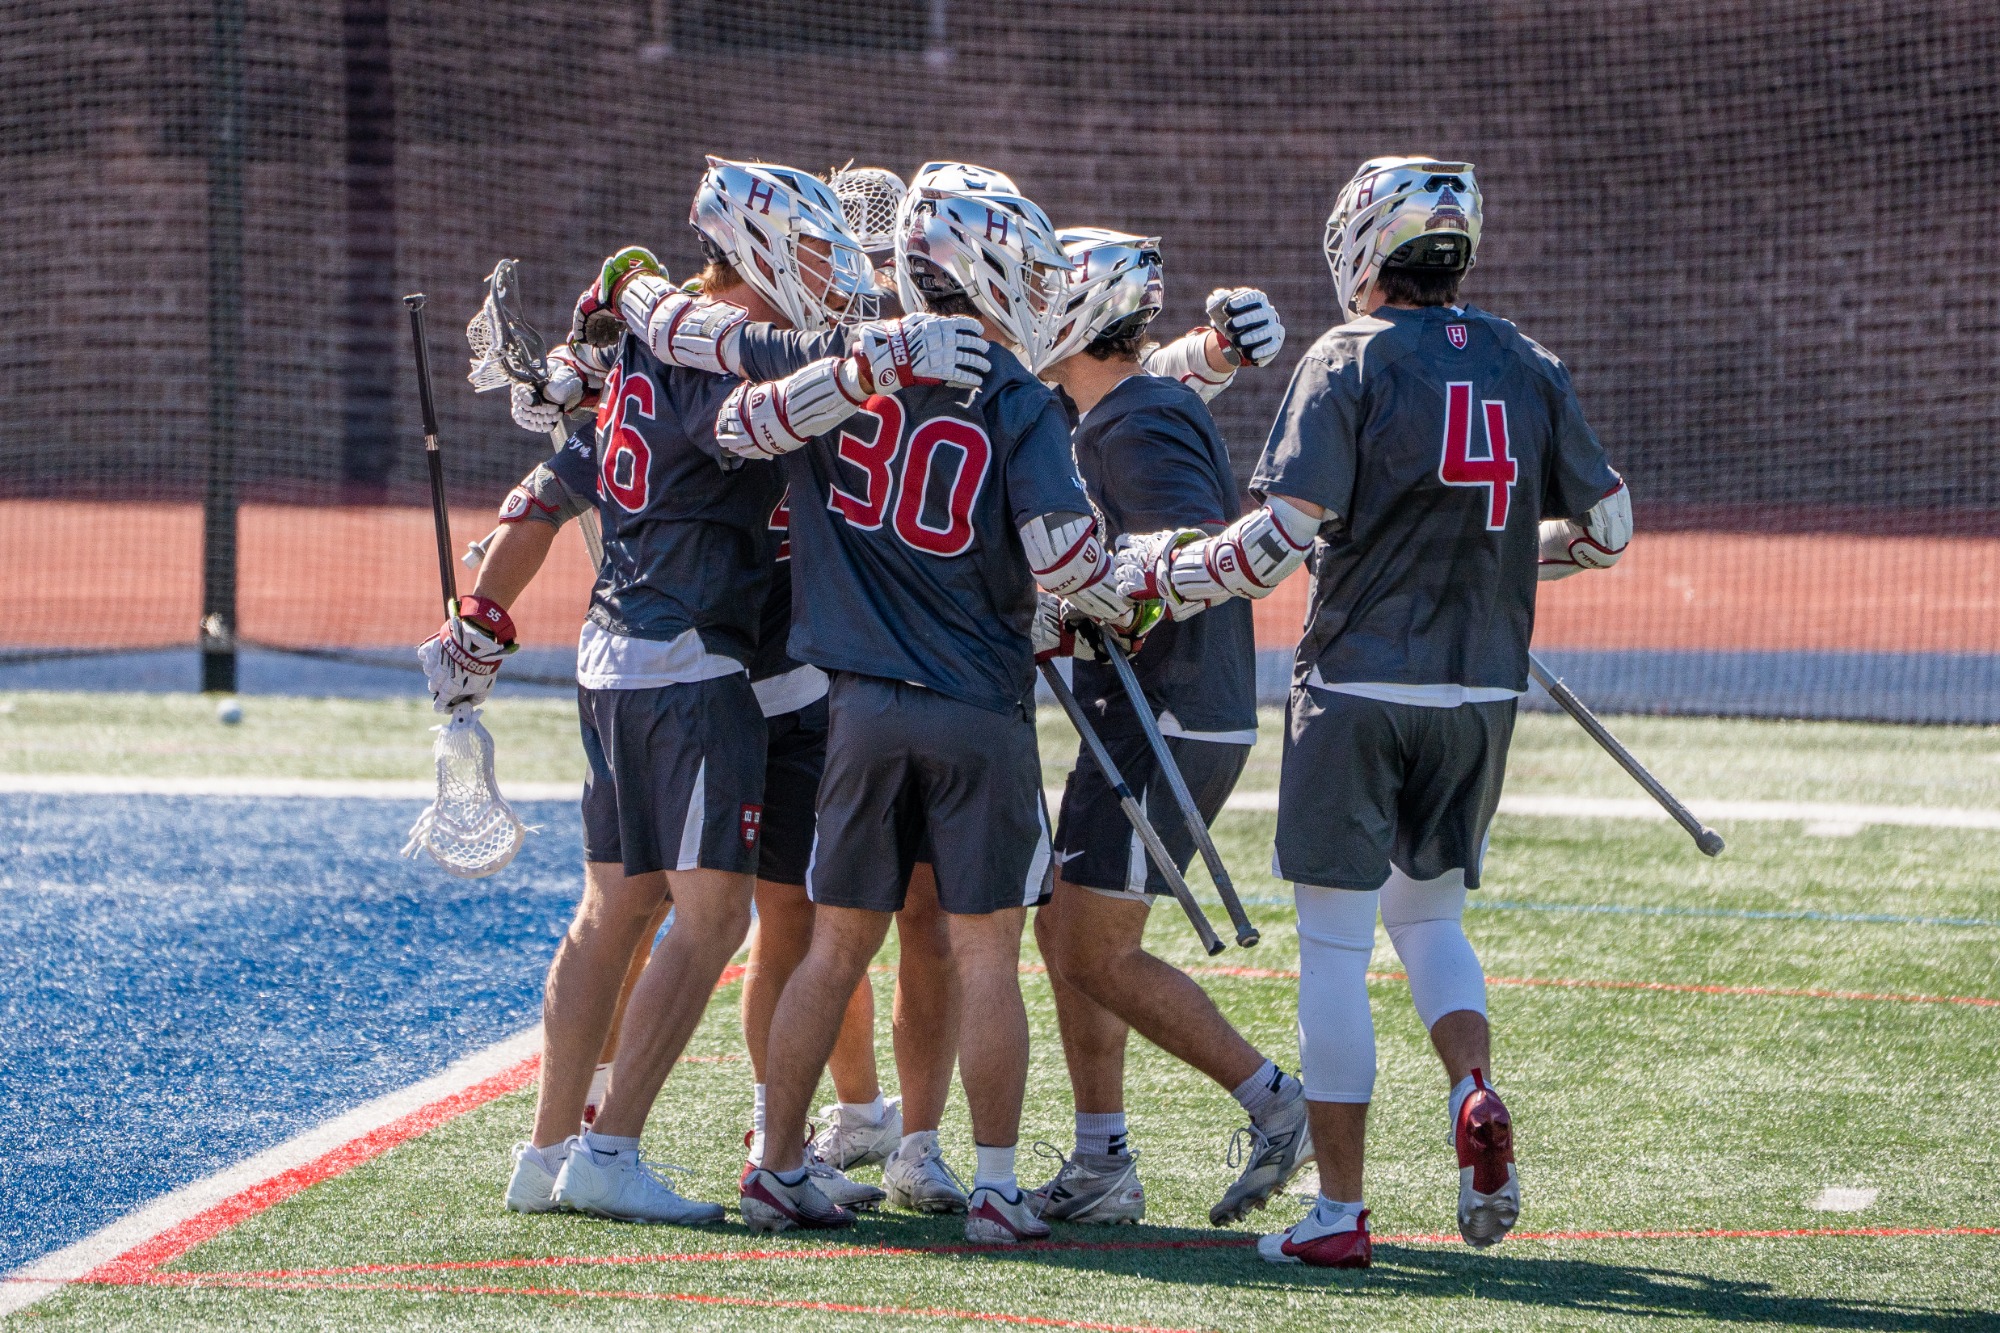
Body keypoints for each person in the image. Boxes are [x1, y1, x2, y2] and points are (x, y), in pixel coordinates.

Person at [1114, 155, 1631, 1267]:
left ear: (1363, 244)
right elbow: (1608, 529)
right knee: (1431, 922)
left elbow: (1275, 544)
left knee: (1333, 951)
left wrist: (1154, 575)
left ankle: (1340, 1213)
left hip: (1353, 686)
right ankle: (1472, 1090)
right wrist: (1501, 556)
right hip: (1480, 686)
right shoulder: (1525, 361)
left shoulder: (1344, 356)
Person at [647, 163, 1141, 1243]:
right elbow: (1063, 557)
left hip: (857, 707)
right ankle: (999, 1189)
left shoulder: (845, 360)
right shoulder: (1016, 396)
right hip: (974, 704)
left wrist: (622, 303)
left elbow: (732, 421)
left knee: (834, 946)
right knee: (983, 954)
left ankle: (777, 1164)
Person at [427, 157, 894, 1225]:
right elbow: (762, 415)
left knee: (623, 906)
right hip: (692, 656)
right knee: (711, 912)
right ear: (758, 246)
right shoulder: (703, 348)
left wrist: (481, 626)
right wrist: (870, 369)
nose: (830, 270)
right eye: (814, 248)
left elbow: (556, 480)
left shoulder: (658, 337)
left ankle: (551, 1150)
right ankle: (608, 1144)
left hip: (636, 648)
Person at [1028, 227, 1311, 1228]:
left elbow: (1188, 555)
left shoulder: (1130, 425)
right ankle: (1099, 1157)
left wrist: (1064, 601)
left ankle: (1276, 1101)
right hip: (1145, 705)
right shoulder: (1116, 405)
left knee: (1095, 948)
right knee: (1063, 927)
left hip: (1171, 708)